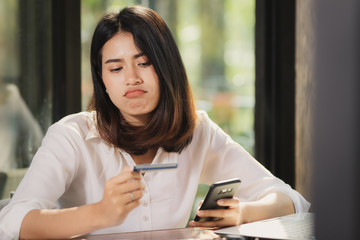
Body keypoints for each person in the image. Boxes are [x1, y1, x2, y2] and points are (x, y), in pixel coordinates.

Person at [0, 5, 310, 239]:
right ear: (102, 79)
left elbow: (291, 200)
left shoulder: (197, 131)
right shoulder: (73, 136)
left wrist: (244, 211)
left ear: (166, 66)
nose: (132, 79)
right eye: (115, 68)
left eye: (144, 62)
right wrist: (99, 213)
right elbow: (13, 222)